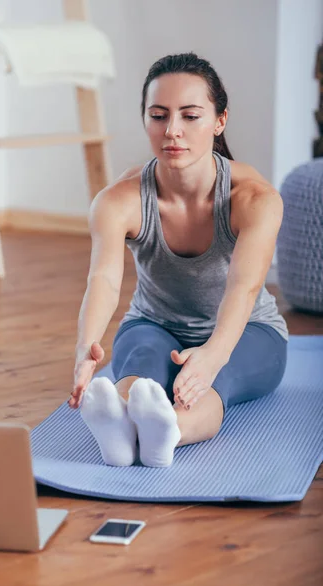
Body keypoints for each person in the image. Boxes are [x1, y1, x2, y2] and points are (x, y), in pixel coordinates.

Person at [68, 52, 288, 469]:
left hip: (248, 331)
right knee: (139, 367)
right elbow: (104, 280)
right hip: (154, 322)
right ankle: (118, 430)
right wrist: (85, 349)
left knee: (212, 382)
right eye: (158, 115)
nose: (173, 131)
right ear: (145, 119)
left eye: (190, 116)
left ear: (219, 121)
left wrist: (213, 354)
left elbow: (245, 286)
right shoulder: (119, 200)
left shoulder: (255, 199)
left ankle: (169, 432)